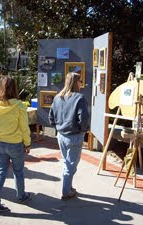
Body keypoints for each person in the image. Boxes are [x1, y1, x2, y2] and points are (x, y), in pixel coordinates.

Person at [0, 75, 32, 213]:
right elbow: (24, 128)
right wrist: (27, 144)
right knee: (18, 171)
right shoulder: (19, 106)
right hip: (16, 144)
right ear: (14, 88)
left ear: (0, 88)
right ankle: (21, 195)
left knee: (1, 173)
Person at [49, 72, 89, 201]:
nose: (81, 83)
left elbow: (51, 117)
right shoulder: (79, 98)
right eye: (80, 81)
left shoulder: (57, 97)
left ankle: (69, 187)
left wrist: (58, 127)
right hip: (75, 136)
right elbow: (83, 118)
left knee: (67, 163)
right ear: (76, 82)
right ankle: (66, 191)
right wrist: (83, 130)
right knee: (70, 165)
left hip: (61, 135)